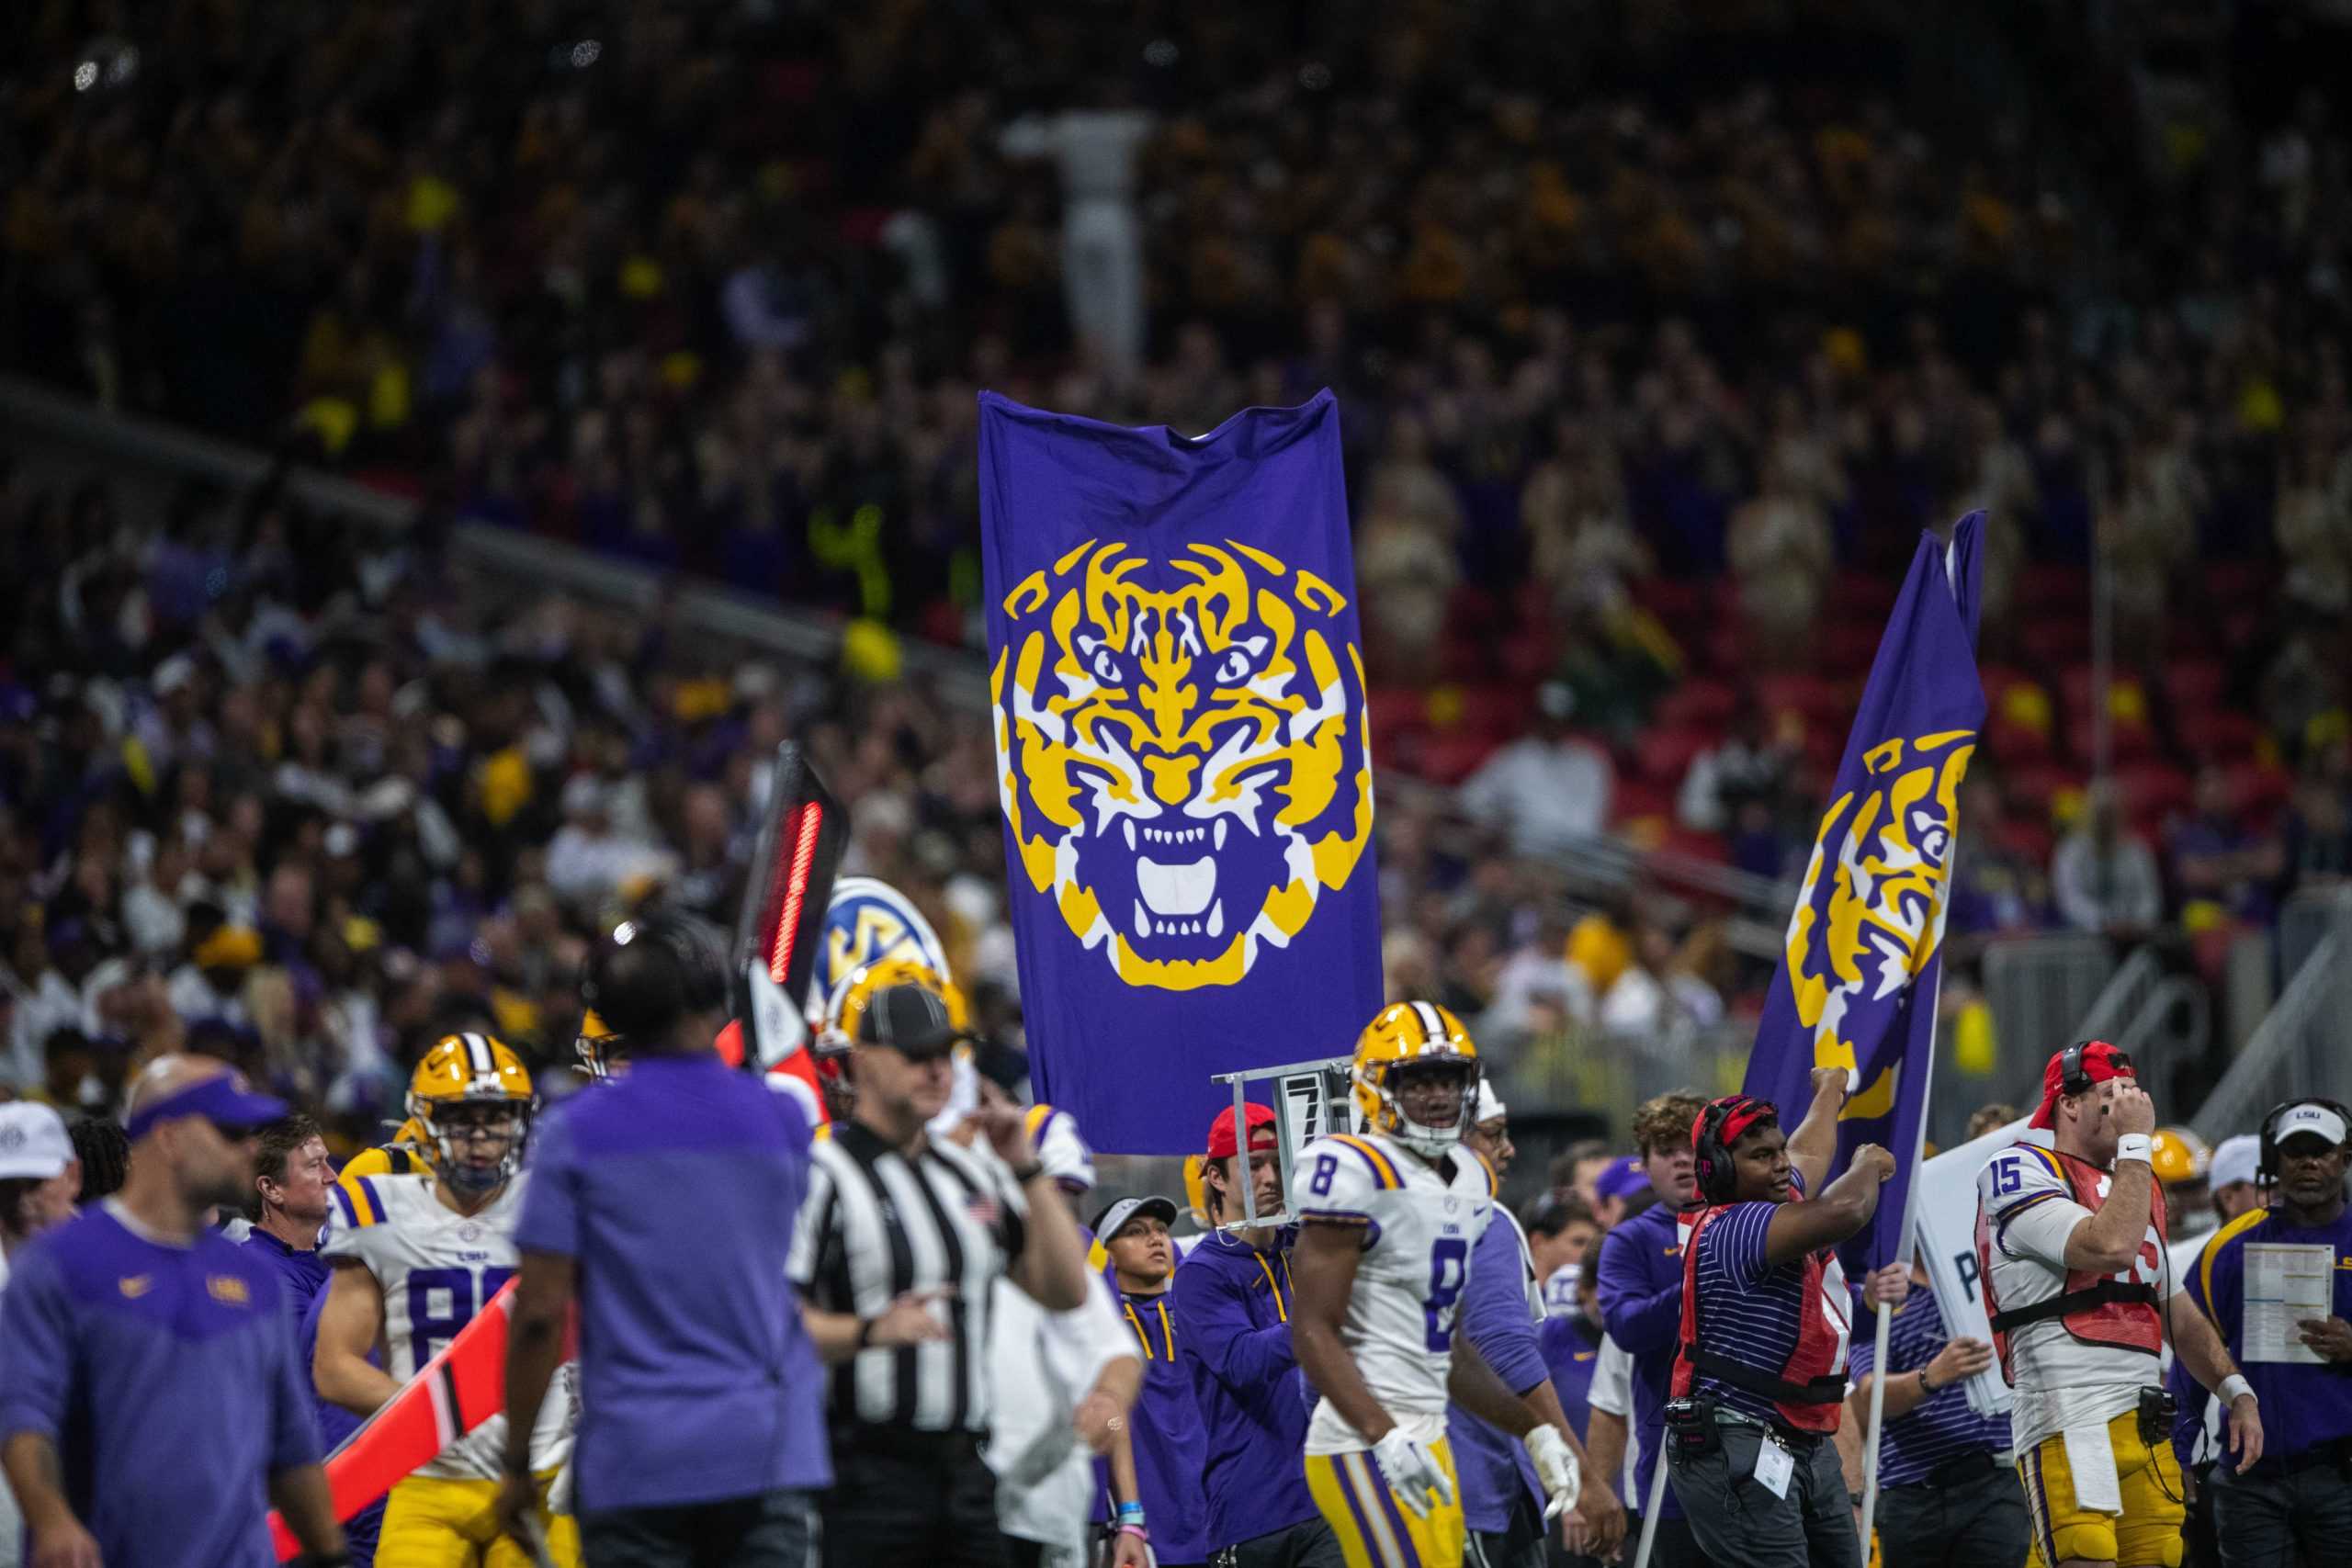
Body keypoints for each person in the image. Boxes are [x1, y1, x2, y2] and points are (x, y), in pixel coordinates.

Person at [500, 910, 831, 1564]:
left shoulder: (573, 1130)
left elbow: (539, 1313)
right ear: (715, 1000)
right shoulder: (785, 1118)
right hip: (767, 1450)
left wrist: (514, 1464)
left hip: (635, 1458)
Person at [1288, 1001, 1618, 1568]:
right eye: (1417, 1081)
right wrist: (1383, 1435)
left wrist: (1537, 1434)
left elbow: (1455, 1349)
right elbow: (1313, 1328)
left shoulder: (1469, 1179)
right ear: (1375, 1086)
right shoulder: (1350, 1168)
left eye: (1449, 1079)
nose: (1438, 1095)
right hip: (1361, 1441)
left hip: (1432, 1433)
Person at [790, 978, 1093, 1568]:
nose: (935, 1072)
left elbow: (1063, 1289)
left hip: (968, 1472)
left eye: (944, 1055)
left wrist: (1025, 1169)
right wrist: (867, 1333)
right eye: (915, 1055)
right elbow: (773, 1324)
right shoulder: (818, 1173)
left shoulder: (966, 1175)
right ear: (861, 1064)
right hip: (863, 1473)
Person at [0, 1055, 345, 1565]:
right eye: (229, 1132)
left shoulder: (256, 1281)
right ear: (169, 1138)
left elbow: (291, 1444)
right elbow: (23, 1412)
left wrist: (330, 1553)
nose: (249, 1148)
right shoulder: (60, 1265)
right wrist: (52, 1520)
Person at [1975, 1041, 2262, 1568]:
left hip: (2146, 1417)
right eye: (2113, 1094)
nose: (2132, 1105)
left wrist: (2234, 1388)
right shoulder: (2017, 1168)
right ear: (2069, 1104)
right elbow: (2108, 1248)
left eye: (2133, 1092)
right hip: (2070, 1413)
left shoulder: (2135, 1183)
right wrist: (2135, 1144)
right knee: (2087, 1557)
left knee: (2161, 1557)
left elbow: (2171, 1303)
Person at [314, 1032, 581, 1565]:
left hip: (539, 1475)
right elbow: (335, 1367)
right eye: (463, 1119)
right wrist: (438, 1417)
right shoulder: (377, 1205)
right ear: (426, 1121)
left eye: (496, 1117)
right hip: (429, 1477)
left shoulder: (553, 1200)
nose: (480, 1137)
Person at [1664, 1083, 1895, 1568]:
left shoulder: (1774, 1200)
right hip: (1739, 1439)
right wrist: (1868, 1165)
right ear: (1722, 1168)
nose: (1780, 1164)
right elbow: (1844, 1210)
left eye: (1778, 1151)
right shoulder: (1734, 1228)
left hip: (1797, 1438)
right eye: (1761, 1156)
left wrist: (1831, 1089)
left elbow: (1808, 1149)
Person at [2184, 1099, 2352, 1566]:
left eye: (2321, 1149)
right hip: (2249, 1479)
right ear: (2272, 1161)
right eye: (2294, 1150)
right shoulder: (2229, 1248)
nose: (2308, 1162)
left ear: (2346, 1156)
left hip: (2343, 1476)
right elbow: (2190, 1347)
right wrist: (2180, 1451)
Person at [1173, 1101, 1340, 1568]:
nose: (1270, 1177)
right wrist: (1318, 1314)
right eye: (1252, 1165)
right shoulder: (1200, 1274)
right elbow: (1243, 1361)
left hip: (1330, 1498)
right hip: (1252, 1512)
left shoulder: (1307, 1245)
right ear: (1218, 1179)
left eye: (1276, 1162)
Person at [981, 1089, 1141, 1568]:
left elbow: (1113, 1396)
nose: (1063, 1216)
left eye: (1072, 1198)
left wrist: (1130, 1513)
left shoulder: (1080, 1271)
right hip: (975, 1506)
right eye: (1053, 1193)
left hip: (1066, 1507)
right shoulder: (969, 1254)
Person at [1455, 1081, 1611, 1568]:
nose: (1508, 1149)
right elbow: (1505, 1353)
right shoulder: (1482, 1216)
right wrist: (1583, 1474)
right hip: (1477, 1482)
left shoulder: (1371, 1218)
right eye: (1493, 1133)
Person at [1592, 1089, 1715, 1567]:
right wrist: (1697, 1281)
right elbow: (1626, 1328)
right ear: (1644, 1164)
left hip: (1762, 1463)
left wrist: (1869, 1294)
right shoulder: (1630, 1240)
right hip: (1673, 1469)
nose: (1684, 1162)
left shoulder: (1756, 1221)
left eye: (1693, 1147)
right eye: (1667, 1152)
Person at [1845, 1257, 2029, 1568]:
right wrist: (1931, 1376)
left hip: (1992, 1482)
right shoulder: (1882, 1292)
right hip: (1911, 1495)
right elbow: (1872, 1394)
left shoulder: (1988, 1276)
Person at [1098, 1194, 1210, 1568]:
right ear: (1107, 1253)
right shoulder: (1103, 1328)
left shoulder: (1198, 1311)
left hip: (1213, 1513)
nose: (1155, 1238)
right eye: (1135, 1232)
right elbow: (1112, 1419)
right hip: (1142, 1522)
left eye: (1161, 1230)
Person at [0, 1101, 79, 1568]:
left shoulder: (110, 1267)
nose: (22, 1199)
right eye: (8, 1186)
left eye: (35, 1182)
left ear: (71, 1175)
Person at [243, 1114, 335, 1322]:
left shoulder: (328, 1255)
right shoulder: (262, 1271)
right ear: (271, 1188)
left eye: (327, 1162)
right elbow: (323, 1351)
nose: (332, 1176)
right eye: (314, 1165)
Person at [1524, 1190, 1600, 1314]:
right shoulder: (1511, 1302)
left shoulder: (1593, 1306)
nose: (1589, 1252)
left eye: (1593, 1243)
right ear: (1538, 1243)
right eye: (1579, 1242)